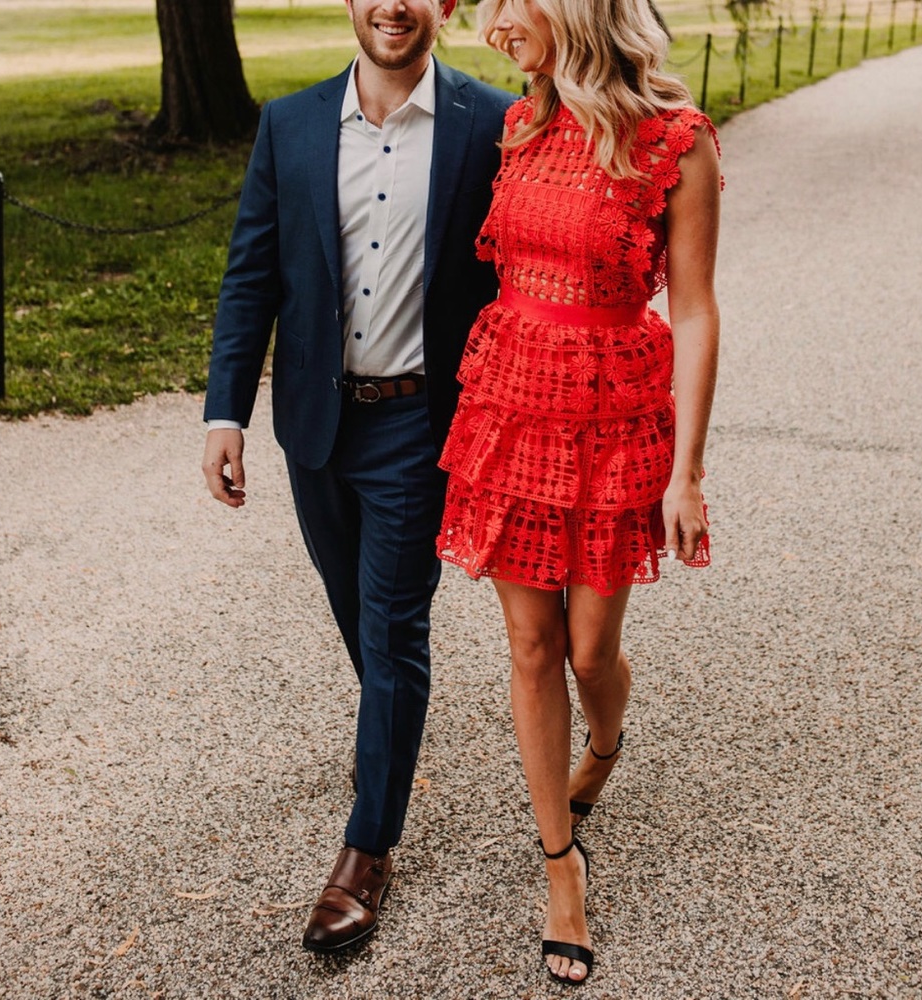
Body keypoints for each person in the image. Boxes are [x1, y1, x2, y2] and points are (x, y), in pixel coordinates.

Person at [201, 0, 514, 954]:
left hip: (420, 426)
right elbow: (253, 275)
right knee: (363, 626)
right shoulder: (289, 123)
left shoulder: (493, 123)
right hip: (315, 426)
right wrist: (226, 412)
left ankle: (366, 846)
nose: (392, 5)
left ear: (444, 7)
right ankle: (390, 727)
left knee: (391, 628)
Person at [436, 0, 721, 986]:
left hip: (614, 415)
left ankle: (605, 738)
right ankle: (562, 868)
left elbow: (691, 306)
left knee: (591, 647)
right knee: (531, 643)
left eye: (507, 5)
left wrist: (688, 470)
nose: (491, 26)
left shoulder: (676, 144)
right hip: (512, 403)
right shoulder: (520, 125)